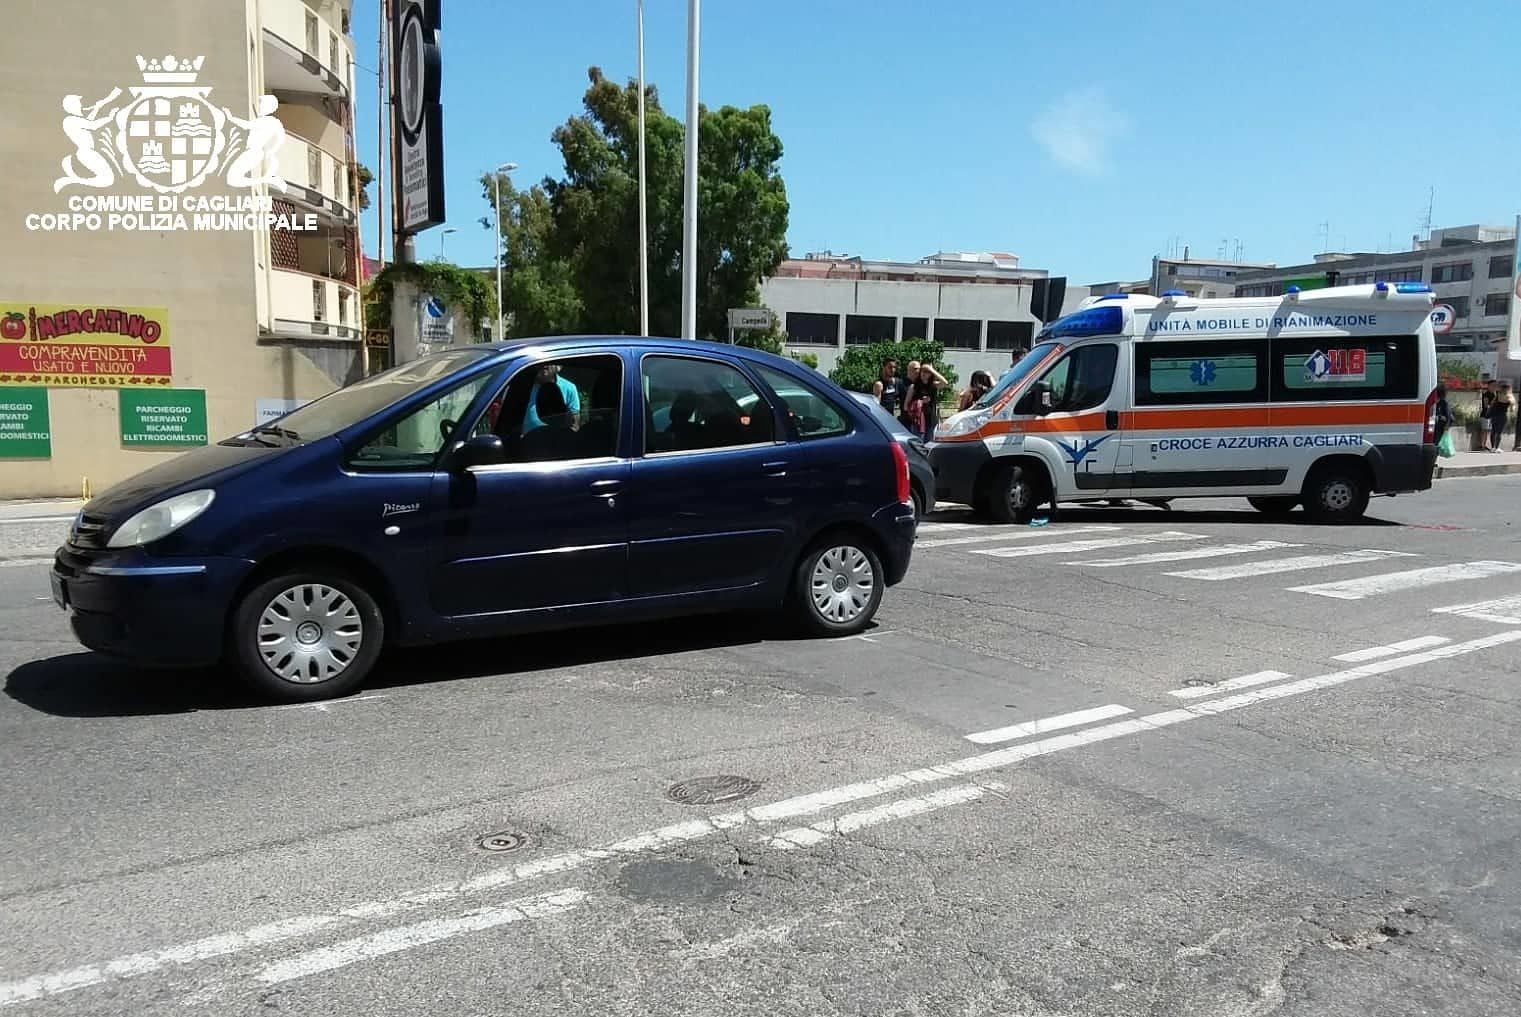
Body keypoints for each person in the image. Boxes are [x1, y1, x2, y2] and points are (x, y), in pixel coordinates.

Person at [523, 364, 580, 434]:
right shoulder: (524, 386)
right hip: (528, 440)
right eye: (541, 360)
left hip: (557, 441)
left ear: (559, 367)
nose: (544, 364)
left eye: (549, 362)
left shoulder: (569, 387)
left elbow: (574, 424)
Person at [906, 362, 948, 440]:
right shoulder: (914, 386)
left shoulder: (933, 385)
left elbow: (945, 383)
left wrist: (931, 369)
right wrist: (920, 402)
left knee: (930, 445)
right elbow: (906, 406)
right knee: (918, 446)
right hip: (918, 422)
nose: (924, 373)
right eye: (922, 371)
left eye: (927, 371)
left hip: (931, 421)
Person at [1491, 382, 1514, 452]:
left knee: (1494, 431)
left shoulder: (1498, 395)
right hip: (1502, 415)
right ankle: (1497, 447)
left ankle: (1493, 447)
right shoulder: (1508, 396)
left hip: (1494, 414)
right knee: (1499, 432)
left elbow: (1492, 403)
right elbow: (1512, 406)